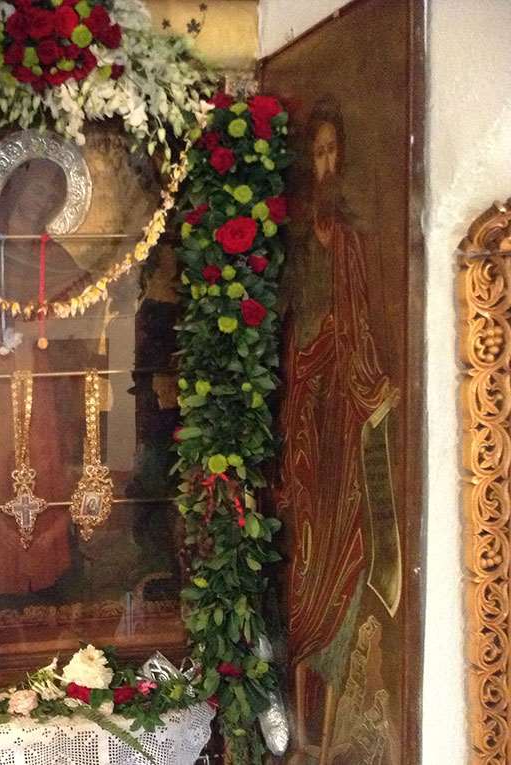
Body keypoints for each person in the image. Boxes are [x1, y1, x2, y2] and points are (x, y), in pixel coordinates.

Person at [275, 96, 397, 759]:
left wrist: (368, 386)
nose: (323, 165)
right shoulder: (304, 243)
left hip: (338, 421)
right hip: (307, 420)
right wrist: (308, 359)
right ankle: (303, 739)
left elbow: (353, 325)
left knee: (338, 562)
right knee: (305, 575)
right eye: (315, 153)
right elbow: (302, 330)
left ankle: (322, 742)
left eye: (331, 153)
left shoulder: (345, 235)